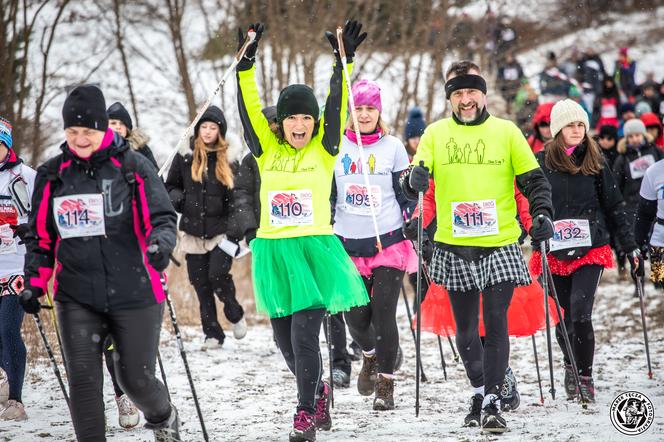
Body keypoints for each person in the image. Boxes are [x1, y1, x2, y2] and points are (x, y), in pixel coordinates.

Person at [19, 85, 179, 441]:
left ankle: (164, 417)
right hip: (76, 295)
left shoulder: (132, 166)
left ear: (103, 129)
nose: (80, 139)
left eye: (88, 132)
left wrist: (159, 245)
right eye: (72, 132)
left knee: (133, 378)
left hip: (134, 290)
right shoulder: (53, 175)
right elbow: (41, 238)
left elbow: (163, 217)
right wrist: (34, 281)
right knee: (84, 384)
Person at [401, 60, 553, 433]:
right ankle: (479, 389)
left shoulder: (507, 132)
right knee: (467, 331)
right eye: (458, 94)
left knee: (496, 322)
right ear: (450, 98)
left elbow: (534, 182)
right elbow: (415, 183)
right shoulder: (435, 134)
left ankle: (491, 401)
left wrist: (541, 215)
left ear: (483, 96)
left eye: (471, 93)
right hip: (453, 247)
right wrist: (412, 180)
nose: (465, 100)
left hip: (499, 243)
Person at [236, 22, 369, 442]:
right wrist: (246, 63)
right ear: (282, 122)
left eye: (306, 117)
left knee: (304, 335)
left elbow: (337, 102)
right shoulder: (266, 150)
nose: (299, 124)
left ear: (313, 123)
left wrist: (341, 62)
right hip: (274, 253)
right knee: (284, 343)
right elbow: (249, 109)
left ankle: (306, 411)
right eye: (291, 116)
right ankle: (319, 390)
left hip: (313, 253)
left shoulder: (324, 150)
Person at [235, 106, 356, 387]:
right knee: (287, 337)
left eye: (278, 122)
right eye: (271, 125)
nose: (276, 129)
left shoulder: (314, 151)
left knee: (325, 314)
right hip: (273, 248)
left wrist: (327, 216)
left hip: (311, 243)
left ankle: (339, 362)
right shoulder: (254, 158)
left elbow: (329, 186)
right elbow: (241, 194)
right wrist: (250, 229)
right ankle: (316, 386)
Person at [530, 99, 641, 404]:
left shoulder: (596, 160)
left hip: (591, 247)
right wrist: (532, 226)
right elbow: (528, 205)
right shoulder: (540, 163)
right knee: (564, 316)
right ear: (557, 130)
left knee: (580, 312)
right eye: (570, 125)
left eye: (580, 125)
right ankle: (569, 363)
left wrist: (629, 246)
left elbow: (615, 206)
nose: (577, 131)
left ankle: (585, 376)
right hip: (554, 250)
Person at [332, 79, 416, 410]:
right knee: (356, 317)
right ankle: (369, 355)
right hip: (348, 245)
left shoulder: (393, 147)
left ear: (378, 112)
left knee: (383, 314)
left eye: (370, 108)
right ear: (350, 113)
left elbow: (404, 193)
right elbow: (331, 194)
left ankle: (386, 383)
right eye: (359, 108)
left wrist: (413, 212)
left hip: (389, 242)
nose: (364, 114)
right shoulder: (337, 148)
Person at [165, 105, 247, 349]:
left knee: (218, 276)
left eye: (213, 127)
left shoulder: (229, 159)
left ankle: (235, 314)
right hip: (192, 232)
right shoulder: (184, 156)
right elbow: (171, 187)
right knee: (201, 284)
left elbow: (238, 199)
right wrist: (179, 199)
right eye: (204, 127)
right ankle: (212, 334)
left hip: (220, 233)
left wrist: (235, 233)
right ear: (197, 129)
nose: (208, 131)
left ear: (220, 131)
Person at [0, 117, 35, 421]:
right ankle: (3, 377)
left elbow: (43, 218)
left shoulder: (26, 177)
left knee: (8, 330)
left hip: (16, 266)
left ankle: (16, 400)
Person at [613, 118, 663, 288]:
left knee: (655, 244)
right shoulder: (622, 159)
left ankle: (658, 279)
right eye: (631, 136)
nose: (634, 139)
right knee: (637, 247)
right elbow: (616, 184)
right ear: (626, 138)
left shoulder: (655, 151)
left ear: (644, 135)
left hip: (655, 205)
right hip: (632, 206)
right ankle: (638, 283)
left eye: (637, 135)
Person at [107, 101, 158, 169]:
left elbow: (155, 175)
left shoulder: (141, 148)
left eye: (122, 123)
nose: (118, 127)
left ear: (127, 128)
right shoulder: (97, 149)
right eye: (113, 123)